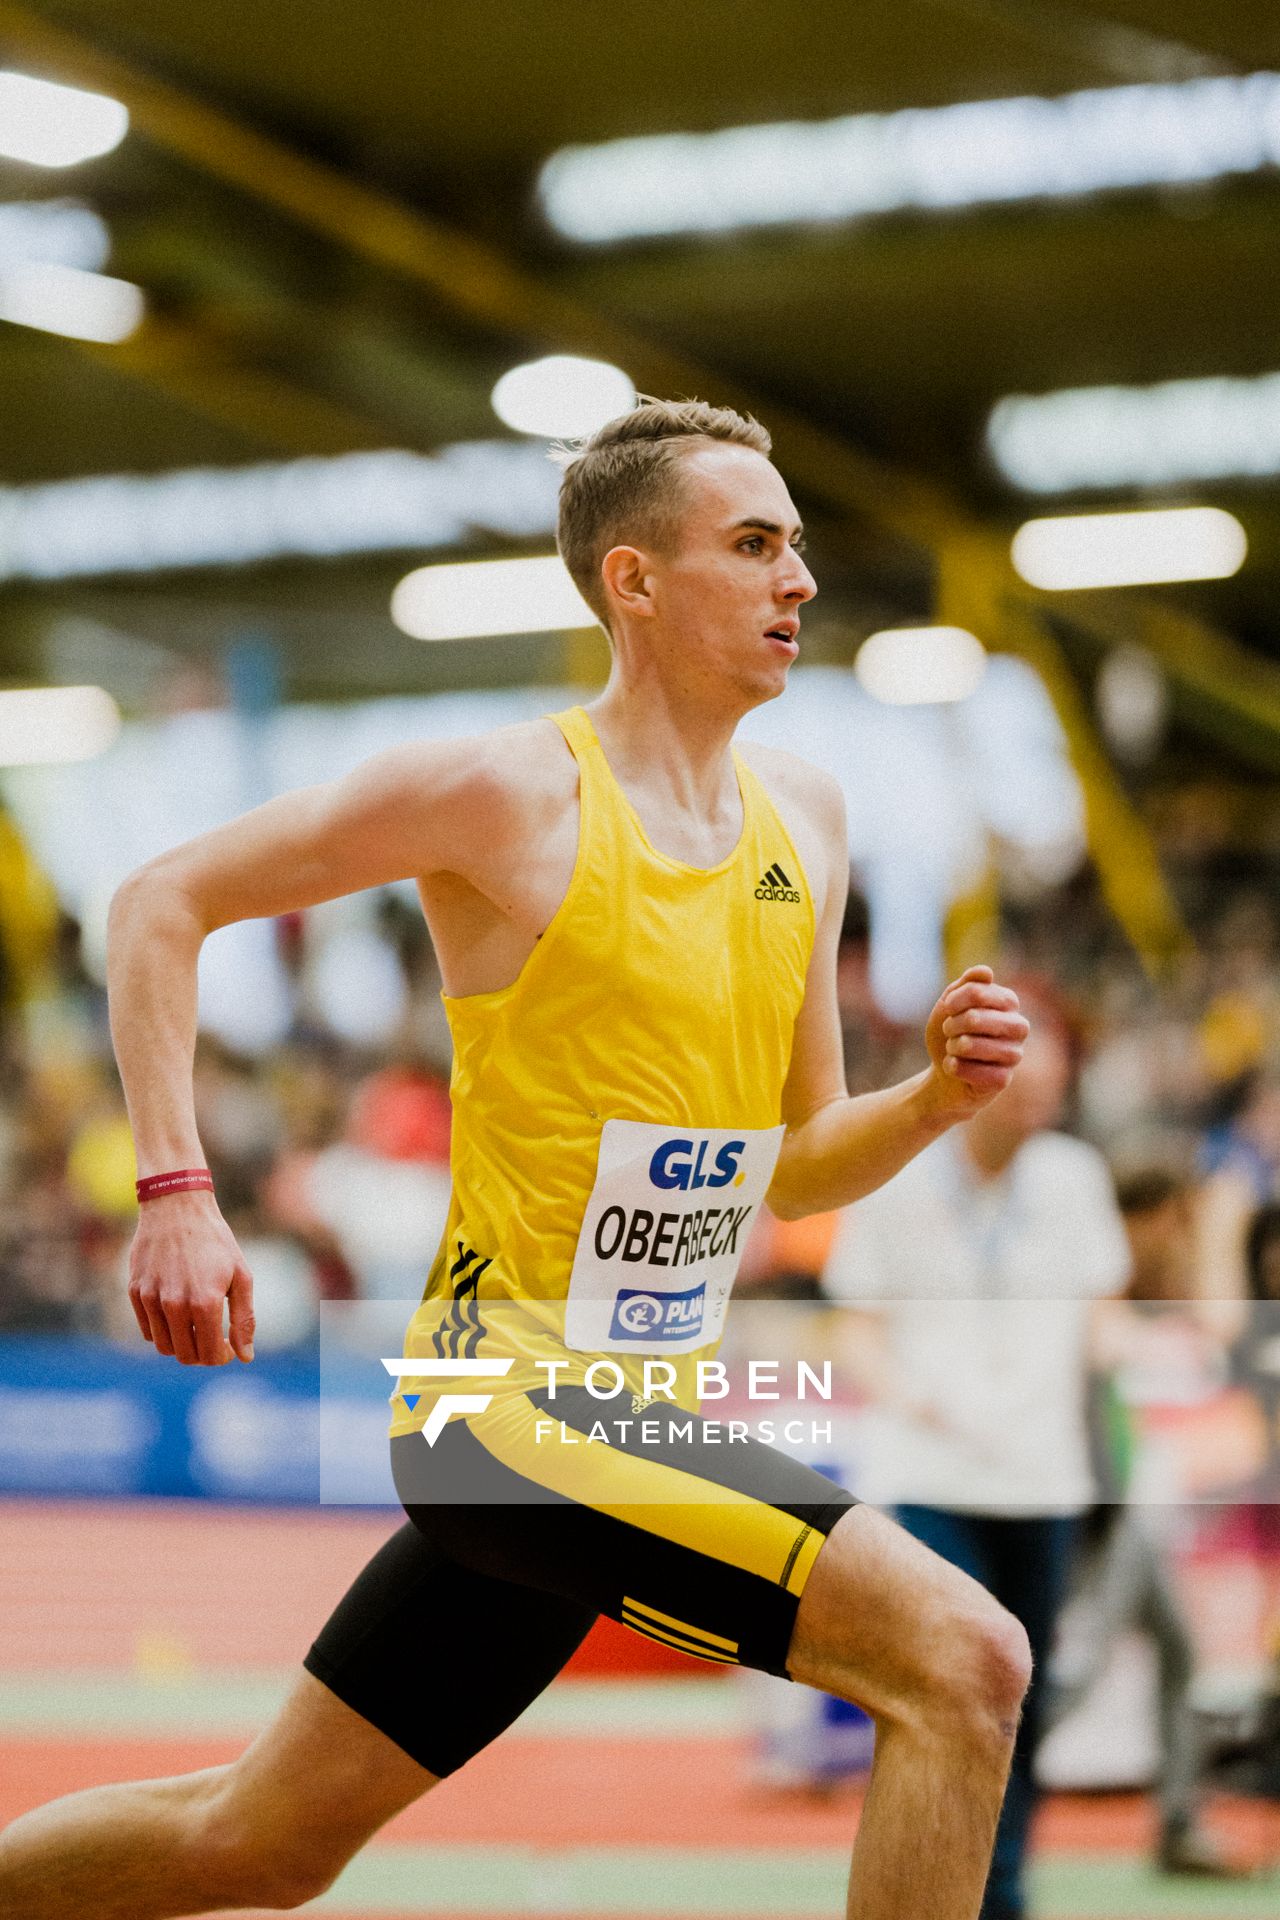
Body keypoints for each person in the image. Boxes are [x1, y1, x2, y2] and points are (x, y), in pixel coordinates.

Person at [0, 399, 1032, 1920]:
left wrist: (934, 1096)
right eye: (753, 546)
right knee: (965, 1658)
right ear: (634, 581)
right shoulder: (507, 794)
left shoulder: (804, 818)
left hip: (623, 1419)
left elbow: (797, 1162)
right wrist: (176, 1191)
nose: (798, 579)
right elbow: (160, 900)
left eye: (797, 545)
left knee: (257, 1844)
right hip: (514, 1415)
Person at [823, 987, 1129, 1920]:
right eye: (1025, 1059)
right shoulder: (899, 1172)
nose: (1045, 1081)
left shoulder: (1075, 1178)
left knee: (1019, 1709)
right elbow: (855, 1324)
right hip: (927, 1477)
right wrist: (909, 1394)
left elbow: (1103, 1319)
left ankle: (1003, 1898)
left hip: (1042, 1479)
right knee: (947, 1689)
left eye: (1059, 1063)